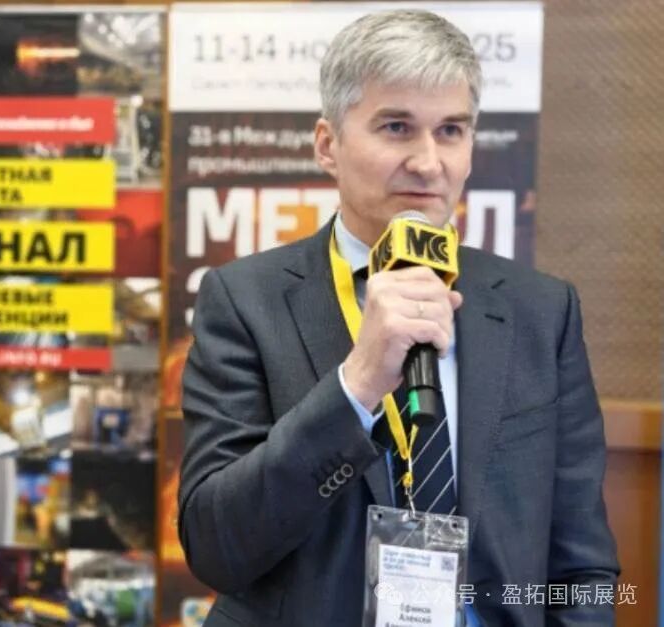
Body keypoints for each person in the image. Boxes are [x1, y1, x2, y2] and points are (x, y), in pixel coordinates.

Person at [178, 9, 619, 627]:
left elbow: (583, 569)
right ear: (327, 145)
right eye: (396, 127)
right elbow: (216, 547)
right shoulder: (244, 300)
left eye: (450, 130)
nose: (428, 161)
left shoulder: (542, 311)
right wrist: (355, 386)